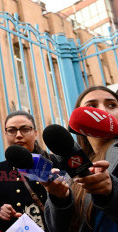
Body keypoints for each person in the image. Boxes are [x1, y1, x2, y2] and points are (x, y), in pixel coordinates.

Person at [43, 85, 118, 232]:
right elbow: (56, 228)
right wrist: (60, 198)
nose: (101, 110)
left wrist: (111, 191)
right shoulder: (70, 165)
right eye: (91, 106)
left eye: (112, 105)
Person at [0, 111, 55, 231]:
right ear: (5, 134)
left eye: (25, 129)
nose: (19, 135)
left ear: (35, 133)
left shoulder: (52, 163)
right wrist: (0, 212)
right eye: (11, 130)